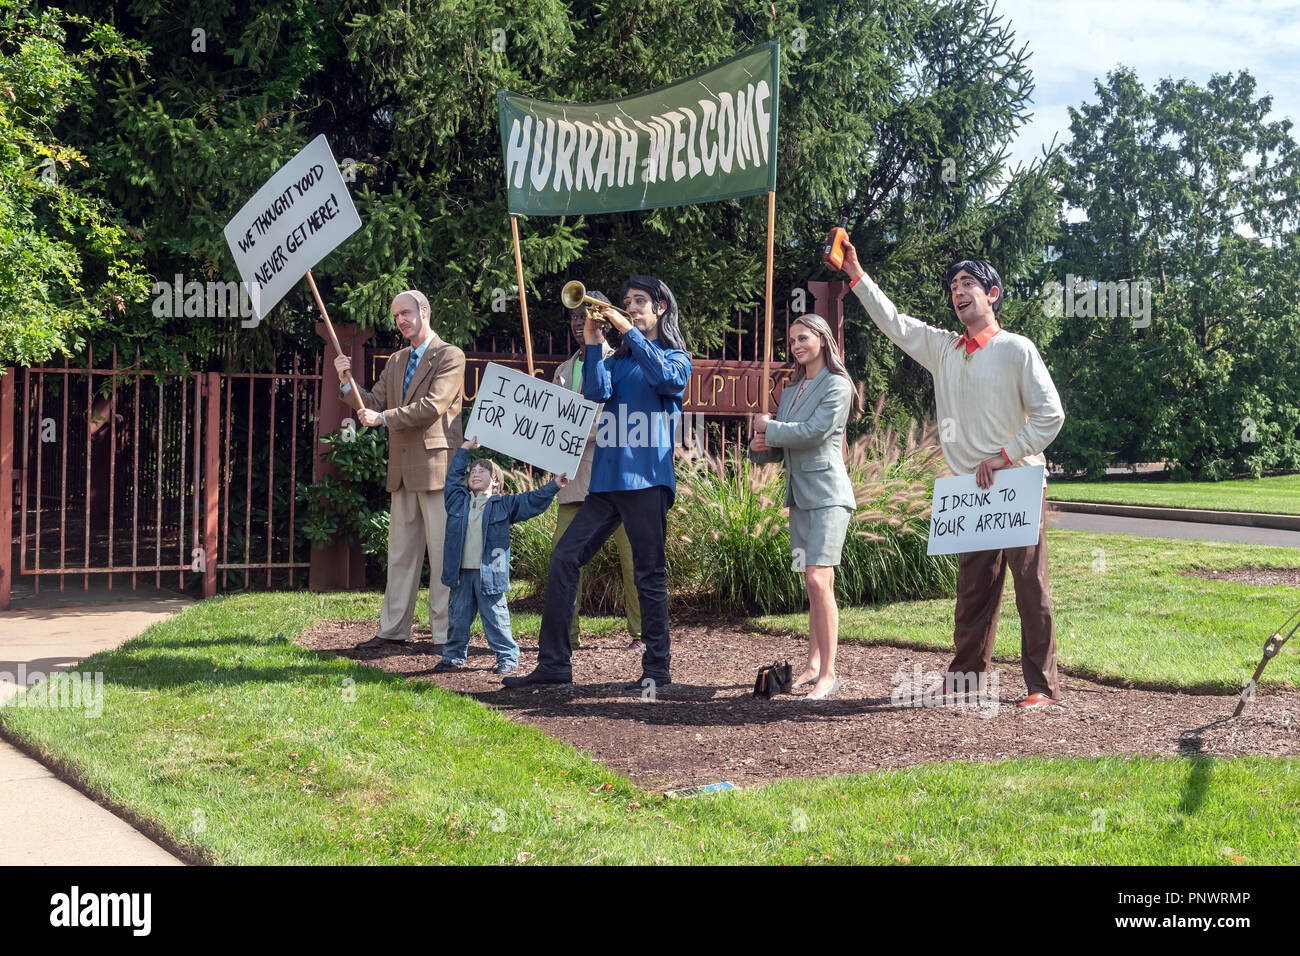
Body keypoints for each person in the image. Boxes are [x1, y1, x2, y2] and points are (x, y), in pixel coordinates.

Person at [831, 239, 1066, 708]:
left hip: (1017, 483)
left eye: (968, 284)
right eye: (953, 286)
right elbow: (894, 323)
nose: (958, 291)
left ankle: (1042, 688)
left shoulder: (1017, 349)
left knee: (1030, 587)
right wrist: (856, 274)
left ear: (992, 294)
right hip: (970, 491)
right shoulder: (943, 349)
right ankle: (965, 679)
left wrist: (1006, 454)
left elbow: (1051, 415)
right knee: (973, 589)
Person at [504, 275, 691, 690]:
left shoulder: (676, 356)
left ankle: (657, 670)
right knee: (563, 558)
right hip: (605, 485)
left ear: (661, 307)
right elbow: (592, 393)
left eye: (639, 301)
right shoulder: (615, 362)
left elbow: (666, 379)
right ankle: (554, 665)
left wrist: (626, 331)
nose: (631, 307)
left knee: (649, 574)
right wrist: (592, 341)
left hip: (646, 481)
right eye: (627, 302)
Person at [334, 290, 465, 650]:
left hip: (439, 469)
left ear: (424, 311)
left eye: (406, 313)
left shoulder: (450, 355)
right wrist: (347, 382)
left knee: (441, 557)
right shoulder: (396, 360)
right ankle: (393, 631)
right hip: (403, 471)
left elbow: (432, 406)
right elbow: (372, 403)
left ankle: (444, 637)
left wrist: (384, 418)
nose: (401, 320)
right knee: (401, 556)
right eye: (396, 316)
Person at [750, 313, 862, 701]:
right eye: (793, 340)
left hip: (829, 494)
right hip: (799, 496)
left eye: (804, 338)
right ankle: (813, 664)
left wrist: (771, 426)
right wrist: (759, 444)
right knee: (813, 585)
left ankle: (829, 673)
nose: (797, 345)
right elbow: (781, 449)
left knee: (818, 578)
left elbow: (815, 432)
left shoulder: (838, 384)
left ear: (822, 339)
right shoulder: (794, 387)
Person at [552, 290, 643, 650]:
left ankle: (642, 635)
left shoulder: (620, 361)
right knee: (563, 556)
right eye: (574, 318)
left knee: (633, 558)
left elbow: (611, 420)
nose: (579, 323)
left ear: (603, 320)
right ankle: (567, 636)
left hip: (613, 480)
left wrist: (569, 429)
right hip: (572, 480)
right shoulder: (562, 370)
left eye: (585, 317)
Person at [435, 439, 567, 677]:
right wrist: (464, 451)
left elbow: (532, 501)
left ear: (495, 480)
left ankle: (507, 657)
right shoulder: (457, 501)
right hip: (461, 572)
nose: (475, 473)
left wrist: (555, 484)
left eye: (481, 471)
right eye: (472, 471)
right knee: (457, 618)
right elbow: (453, 478)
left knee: (496, 618)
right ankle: (453, 657)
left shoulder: (504, 505)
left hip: (490, 573)